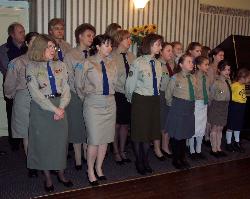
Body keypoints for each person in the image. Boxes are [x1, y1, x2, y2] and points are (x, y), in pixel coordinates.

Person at [26, 34, 72, 192]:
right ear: (40, 48)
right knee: (43, 144)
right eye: (49, 47)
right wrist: (54, 109)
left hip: (61, 106)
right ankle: (47, 177)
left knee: (60, 143)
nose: (52, 50)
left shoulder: (61, 64)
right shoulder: (31, 66)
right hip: (42, 109)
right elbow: (35, 94)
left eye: (54, 47)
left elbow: (66, 88)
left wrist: (62, 107)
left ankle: (61, 173)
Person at [75, 34, 117, 186]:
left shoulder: (112, 63)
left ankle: (99, 168)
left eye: (111, 45)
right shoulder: (86, 63)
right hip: (93, 104)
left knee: (105, 139)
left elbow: (115, 82)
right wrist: (87, 99)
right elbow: (78, 85)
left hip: (110, 103)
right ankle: (90, 170)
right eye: (106, 45)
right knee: (93, 140)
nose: (110, 48)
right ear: (98, 46)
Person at [125, 33, 163, 175]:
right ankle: (139, 161)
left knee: (149, 133)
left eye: (160, 44)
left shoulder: (158, 64)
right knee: (139, 133)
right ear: (149, 46)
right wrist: (131, 100)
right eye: (158, 44)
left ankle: (146, 160)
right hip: (141, 100)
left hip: (154, 100)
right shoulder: (138, 62)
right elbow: (130, 84)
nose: (160, 47)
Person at [4, 32, 39, 177]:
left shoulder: (44, 61)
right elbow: (9, 84)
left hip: (40, 99)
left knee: (39, 133)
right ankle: (31, 165)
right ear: (27, 43)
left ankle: (41, 161)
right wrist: (10, 96)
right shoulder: (17, 62)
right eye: (33, 42)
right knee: (27, 133)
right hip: (23, 98)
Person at [64, 23, 96, 170]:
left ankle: (86, 154)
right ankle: (77, 159)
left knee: (88, 125)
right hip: (76, 95)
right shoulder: (70, 55)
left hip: (91, 95)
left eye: (93, 36)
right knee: (77, 126)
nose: (92, 38)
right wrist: (79, 93)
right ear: (80, 37)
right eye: (89, 35)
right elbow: (68, 77)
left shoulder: (93, 54)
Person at [0, 22, 27, 151]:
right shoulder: (3, 49)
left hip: (26, 87)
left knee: (27, 115)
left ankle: (25, 141)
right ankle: (14, 143)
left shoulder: (28, 48)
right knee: (12, 114)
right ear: (12, 34)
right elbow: (6, 68)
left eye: (23, 31)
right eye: (20, 32)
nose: (23, 34)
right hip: (11, 87)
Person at [165, 54, 195, 170]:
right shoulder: (175, 78)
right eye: (188, 62)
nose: (191, 64)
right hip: (178, 108)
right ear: (181, 65)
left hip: (189, 109)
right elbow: (168, 95)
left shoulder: (193, 78)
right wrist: (174, 108)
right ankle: (176, 159)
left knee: (184, 135)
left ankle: (183, 157)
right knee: (177, 135)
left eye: (192, 62)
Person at [111, 29, 136, 165]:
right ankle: (115, 150)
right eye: (126, 38)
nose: (129, 41)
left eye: (130, 38)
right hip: (116, 94)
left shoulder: (132, 57)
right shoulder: (112, 56)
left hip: (129, 94)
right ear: (119, 39)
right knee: (115, 125)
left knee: (125, 124)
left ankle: (123, 149)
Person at [208, 60, 231, 158]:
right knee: (215, 128)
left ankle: (218, 148)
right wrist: (210, 107)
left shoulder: (228, 81)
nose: (227, 72)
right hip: (216, 105)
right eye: (224, 70)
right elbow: (211, 96)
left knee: (221, 128)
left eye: (228, 70)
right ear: (219, 70)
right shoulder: (216, 82)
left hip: (225, 106)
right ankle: (213, 149)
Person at [188, 56, 209, 160]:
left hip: (204, 104)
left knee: (201, 128)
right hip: (196, 104)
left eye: (208, 64)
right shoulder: (194, 77)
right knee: (194, 127)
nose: (207, 66)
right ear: (199, 66)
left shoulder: (206, 77)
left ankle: (199, 149)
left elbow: (208, 90)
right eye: (205, 64)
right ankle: (192, 150)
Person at [226, 68, 250, 153]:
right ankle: (228, 143)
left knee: (238, 125)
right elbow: (228, 95)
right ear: (242, 77)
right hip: (234, 106)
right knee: (231, 125)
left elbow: (247, 95)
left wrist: (248, 85)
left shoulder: (246, 85)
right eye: (248, 78)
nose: (249, 79)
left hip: (242, 107)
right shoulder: (234, 85)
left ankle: (237, 142)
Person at [204, 48, 224, 145]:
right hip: (212, 96)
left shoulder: (222, 68)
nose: (222, 57)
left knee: (216, 120)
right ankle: (207, 136)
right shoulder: (211, 68)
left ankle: (213, 137)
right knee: (209, 118)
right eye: (220, 55)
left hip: (220, 98)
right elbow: (210, 84)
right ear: (214, 56)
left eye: (223, 55)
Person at [158, 42, 174, 158]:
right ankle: (162, 147)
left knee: (168, 122)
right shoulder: (158, 64)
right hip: (160, 95)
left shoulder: (170, 65)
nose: (171, 53)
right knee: (162, 122)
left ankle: (165, 145)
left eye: (171, 51)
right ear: (161, 51)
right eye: (168, 50)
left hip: (169, 95)